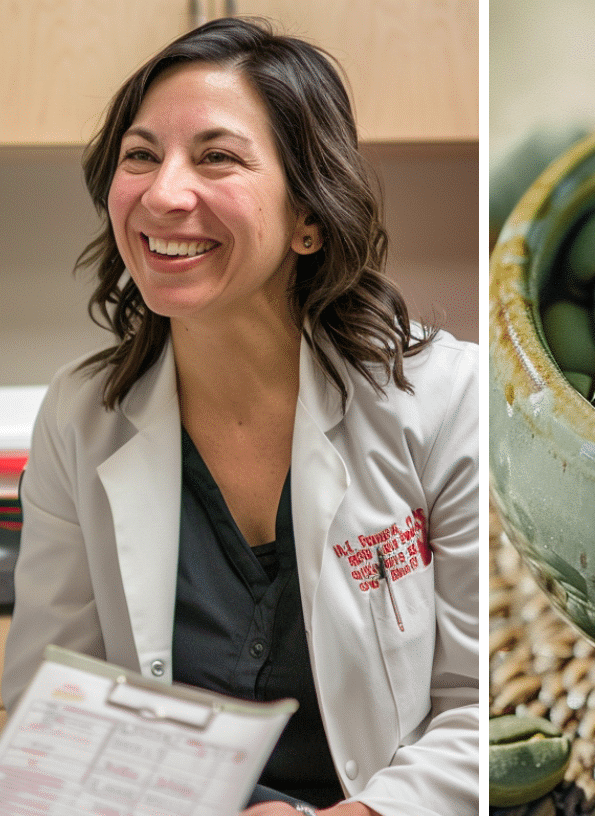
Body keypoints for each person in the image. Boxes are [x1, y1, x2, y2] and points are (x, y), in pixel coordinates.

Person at [1, 17, 479, 816]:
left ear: (309, 218)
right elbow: (51, 716)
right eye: (141, 156)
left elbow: (480, 708)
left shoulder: (444, 396)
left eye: (216, 156)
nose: (163, 193)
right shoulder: (79, 418)